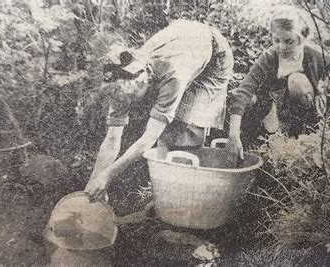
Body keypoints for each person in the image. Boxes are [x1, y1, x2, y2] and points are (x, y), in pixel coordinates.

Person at [85, 20, 233, 201]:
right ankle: (164, 199)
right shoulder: (119, 80)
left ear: (142, 77)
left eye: (130, 94)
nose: (125, 100)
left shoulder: (173, 75)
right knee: (166, 136)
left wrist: (108, 176)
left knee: (187, 130)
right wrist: (94, 184)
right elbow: (112, 139)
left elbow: (148, 139)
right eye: (121, 95)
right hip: (181, 42)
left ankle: (186, 201)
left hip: (212, 54)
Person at [226, 6, 330, 162]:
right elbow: (244, 91)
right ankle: (262, 141)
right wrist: (233, 136)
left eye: (288, 41)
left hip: (305, 110)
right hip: (274, 110)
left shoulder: (314, 55)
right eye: (276, 40)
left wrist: (325, 86)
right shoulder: (269, 58)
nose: (282, 47)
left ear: (301, 37)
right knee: (249, 101)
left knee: (296, 82)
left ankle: (305, 135)